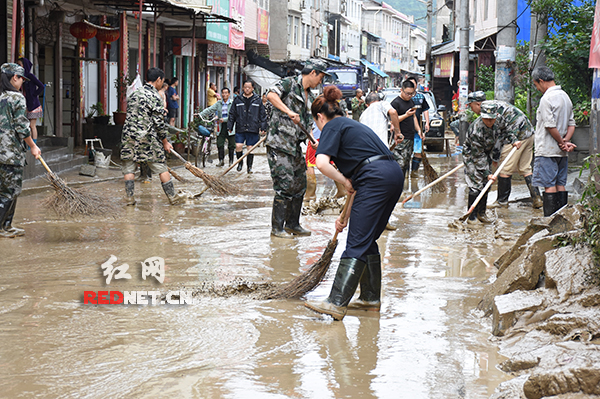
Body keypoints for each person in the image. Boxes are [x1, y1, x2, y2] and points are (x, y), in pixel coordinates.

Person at [304, 86, 404, 321]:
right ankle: (370, 299)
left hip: (374, 178)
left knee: (356, 241)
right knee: (366, 239)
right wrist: (344, 216)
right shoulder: (353, 125)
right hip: (391, 175)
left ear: (320, 117)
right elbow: (359, 181)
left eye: (317, 123)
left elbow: (321, 163)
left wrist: (343, 180)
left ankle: (336, 302)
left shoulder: (331, 126)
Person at [265, 59, 329, 238]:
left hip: (294, 146)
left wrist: (312, 140)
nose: (321, 81)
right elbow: (271, 95)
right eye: (321, 77)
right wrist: (288, 111)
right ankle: (277, 228)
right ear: (313, 72)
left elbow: (308, 122)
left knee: (300, 184)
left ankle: (293, 224)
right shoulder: (289, 83)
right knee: (284, 185)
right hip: (279, 144)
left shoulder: (311, 94)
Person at [120, 68, 186, 206]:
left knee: (129, 165)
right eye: (162, 81)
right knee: (160, 165)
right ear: (158, 80)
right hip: (147, 137)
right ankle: (173, 197)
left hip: (128, 136)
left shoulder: (134, 93)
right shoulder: (154, 96)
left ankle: (129, 198)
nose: (162, 83)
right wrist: (165, 141)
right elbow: (158, 123)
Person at [462, 102, 524, 224]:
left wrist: (514, 140)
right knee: (476, 184)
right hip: (473, 155)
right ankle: (471, 217)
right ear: (482, 116)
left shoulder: (499, 119)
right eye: (486, 119)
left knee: (486, 185)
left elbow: (506, 130)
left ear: (495, 116)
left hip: (487, 152)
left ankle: (481, 214)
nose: (489, 122)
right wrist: (486, 173)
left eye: (491, 119)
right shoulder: (476, 130)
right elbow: (478, 156)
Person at [0, 63, 41, 238]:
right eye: (21, 79)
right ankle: (2, 228)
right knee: (10, 192)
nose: (22, 83)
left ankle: (7, 226)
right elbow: (22, 128)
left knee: (6, 191)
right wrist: (33, 146)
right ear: (14, 78)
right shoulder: (16, 98)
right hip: (10, 154)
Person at [531, 66, 577, 217]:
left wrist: (560, 142)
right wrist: (566, 141)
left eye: (536, 85)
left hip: (547, 150)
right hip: (561, 153)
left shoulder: (547, 99)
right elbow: (571, 123)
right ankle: (562, 220)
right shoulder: (565, 96)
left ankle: (550, 222)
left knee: (549, 185)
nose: (537, 88)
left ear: (541, 81)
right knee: (560, 184)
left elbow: (549, 125)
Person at [481, 100, 542, 209]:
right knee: (525, 168)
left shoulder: (492, 112)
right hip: (529, 133)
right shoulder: (498, 105)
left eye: (472, 107)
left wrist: (495, 157)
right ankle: (537, 198)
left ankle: (502, 202)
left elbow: (500, 137)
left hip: (516, 137)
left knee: (504, 169)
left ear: (477, 104)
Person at [228, 81, 267, 174]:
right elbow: (232, 114)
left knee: (250, 148)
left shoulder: (257, 100)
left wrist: (263, 127)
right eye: (245, 87)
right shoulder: (237, 99)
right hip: (240, 127)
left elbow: (262, 115)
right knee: (238, 146)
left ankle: (249, 167)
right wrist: (230, 125)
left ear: (252, 88)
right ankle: (240, 163)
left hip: (253, 127)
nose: (247, 89)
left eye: (249, 87)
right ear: (242, 88)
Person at [390, 80, 422, 177]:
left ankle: (402, 187)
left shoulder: (411, 101)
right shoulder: (395, 103)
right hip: (400, 139)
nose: (409, 96)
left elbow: (414, 117)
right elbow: (392, 122)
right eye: (407, 93)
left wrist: (419, 130)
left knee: (406, 164)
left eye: (412, 94)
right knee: (399, 164)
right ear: (401, 90)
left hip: (410, 137)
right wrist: (406, 115)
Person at [201, 87, 235, 167]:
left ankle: (231, 161)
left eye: (226, 93)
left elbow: (234, 115)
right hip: (220, 125)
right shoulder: (219, 103)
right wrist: (201, 114)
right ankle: (221, 160)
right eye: (223, 93)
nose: (224, 94)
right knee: (220, 143)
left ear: (229, 94)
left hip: (230, 125)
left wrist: (225, 119)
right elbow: (210, 109)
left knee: (231, 144)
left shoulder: (232, 103)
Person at [405, 76, 430, 177]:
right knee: (405, 153)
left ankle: (414, 173)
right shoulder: (403, 98)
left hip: (417, 129)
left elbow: (425, 109)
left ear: (416, 85)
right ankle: (405, 174)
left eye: (413, 84)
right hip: (405, 129)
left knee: (418, 152)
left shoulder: (420, 97)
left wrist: (427, 123)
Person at [17, 58, 44, 143]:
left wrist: (34, 94)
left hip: (33, 105)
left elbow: (41, 86)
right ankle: (30, 144)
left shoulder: (30, 76)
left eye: (20, 65)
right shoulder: (20, 77)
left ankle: (33, 144)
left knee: (32, 126)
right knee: (28, 125)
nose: (18, 67)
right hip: (27, 104)